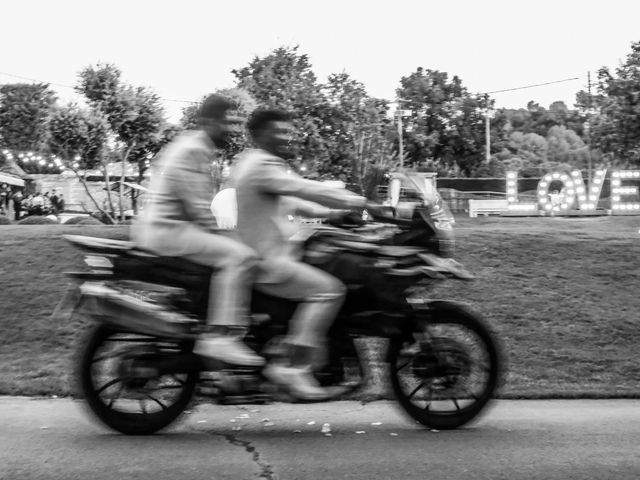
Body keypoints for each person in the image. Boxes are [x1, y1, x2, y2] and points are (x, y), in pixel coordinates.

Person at [231, 108, 366, 400]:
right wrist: (360, 202)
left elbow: (294, 202)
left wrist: (333, 216)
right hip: (268, 262)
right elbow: (302, 188)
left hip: (270, 256)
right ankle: (293, 367)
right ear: (258, 135)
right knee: (329, 291)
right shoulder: (260, 165)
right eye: (279, 132)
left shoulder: (263, 165)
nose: (286, 137)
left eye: (288, 131)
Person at [131, 94, 263, 368]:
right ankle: (220, 336)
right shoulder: (194, 149)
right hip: (168, 230)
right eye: (227, 123)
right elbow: (201, 210)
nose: (232, 130)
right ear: (207, 121)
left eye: (235, 124)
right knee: (240, 257)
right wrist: (234, 235)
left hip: (168, 227)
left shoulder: (191, 145)